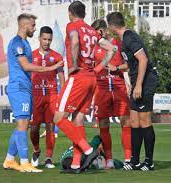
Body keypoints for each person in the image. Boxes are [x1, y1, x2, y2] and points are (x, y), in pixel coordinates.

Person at [53, 1, 117, 174]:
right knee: (78, 120)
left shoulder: (72, 25)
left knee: (58, 117)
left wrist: (73, 64)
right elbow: (112, 49)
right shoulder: (91, 30)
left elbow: (74, 41)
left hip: (79, 76)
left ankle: (88, 150)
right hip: (91, 78)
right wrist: (98, 68)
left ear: (70, 13)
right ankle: (75, 164)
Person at [2, 13, 63, 173]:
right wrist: (49, 68)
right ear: (24, 25)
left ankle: (9, 159)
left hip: (26, 88)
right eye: (33, 25)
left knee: (23, 125)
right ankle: (24, 162)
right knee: (24, 125)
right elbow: (26, 66)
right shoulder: (17, 43)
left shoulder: (25, 43)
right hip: (19, 88)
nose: (34, 28)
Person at [107, 12, 158, 171]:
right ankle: (135, 161)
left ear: (111, 26)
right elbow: (132, 64)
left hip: (145, 82)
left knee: (144, 122)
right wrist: (116, 68)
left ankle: (149, 162)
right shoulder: (124, 40)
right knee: (134, 122)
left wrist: (138, 86)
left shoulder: (130, 37)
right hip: (137, 81)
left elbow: (143, 60)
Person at [91, 19, 132, 168]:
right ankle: (108, 160)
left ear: (104, 30)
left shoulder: (118, 44)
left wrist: (116, 67)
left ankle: (128, 159)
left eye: (98, 32)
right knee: (103, 124)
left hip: (118, 88)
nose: (97, 36)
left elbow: (129, 65)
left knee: (126, 122)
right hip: (101, 90)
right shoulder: (93, 49)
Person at [30, 26, 65, 169]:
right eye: (44, 39)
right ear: (39, 38)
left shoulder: (57, 56)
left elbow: (62, 77)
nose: (47, 42)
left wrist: (62, 95)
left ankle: (49, 158)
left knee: (51, 126)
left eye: (49, 39)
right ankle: (36, 150)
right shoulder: (31, 55)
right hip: (36, 95)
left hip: (52, 95)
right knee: (34, 128)